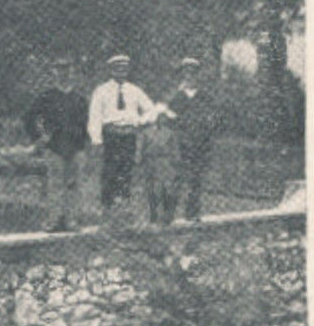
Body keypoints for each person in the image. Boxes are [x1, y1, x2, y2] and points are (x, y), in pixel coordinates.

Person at [22, 57, 90, 232]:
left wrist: (84, 142)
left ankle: (71, 220)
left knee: (73, 185)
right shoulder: (47, 96)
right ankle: (54, 221)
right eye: (60, 70)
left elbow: (89, 122)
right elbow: (29, 117)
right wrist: (39, 138)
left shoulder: (80, 98)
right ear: (54, 73)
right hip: (55, 146)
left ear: (73, 73)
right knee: (55, 185)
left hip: (75, 147)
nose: (64, 74)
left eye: (67, 70)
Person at [87, 54, 155, 211]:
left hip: (128, 135)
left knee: (126, 169)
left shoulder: (134, 90)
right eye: (117, 69)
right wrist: (96, 140)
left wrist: (139, 121)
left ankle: (124, 204)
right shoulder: (102, 90)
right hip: (111, 134)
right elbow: (95, 116)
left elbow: (151, 109)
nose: (121, 72)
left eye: (124, 69)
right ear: (111, 71)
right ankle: (107, 205)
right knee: (110, 170)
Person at [166, 56, 218, 222]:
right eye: (186, 73)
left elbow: (212, 120)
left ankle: (192, 212)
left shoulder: (205, 97)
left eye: (193, 73)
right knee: (176, 178)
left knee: (196, 179)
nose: (190, 76)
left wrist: (206, 136)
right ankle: (169, 213)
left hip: (199, 143)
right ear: (182, 75)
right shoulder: (176, 97)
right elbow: (169, 120)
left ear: (198, 75)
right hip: (180, 144)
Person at [140, 104, 181, 225]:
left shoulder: (170, 133)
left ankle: (168, 214)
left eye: (164, 117)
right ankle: (153, 214)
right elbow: (141, 149)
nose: (162, 120)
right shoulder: (145, 133)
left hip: (166, 162)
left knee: (168, 189)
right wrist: (139, 161)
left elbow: (175, 149)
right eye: (160, 117)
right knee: (152, 189)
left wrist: (176, 162)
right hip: (151, 162)